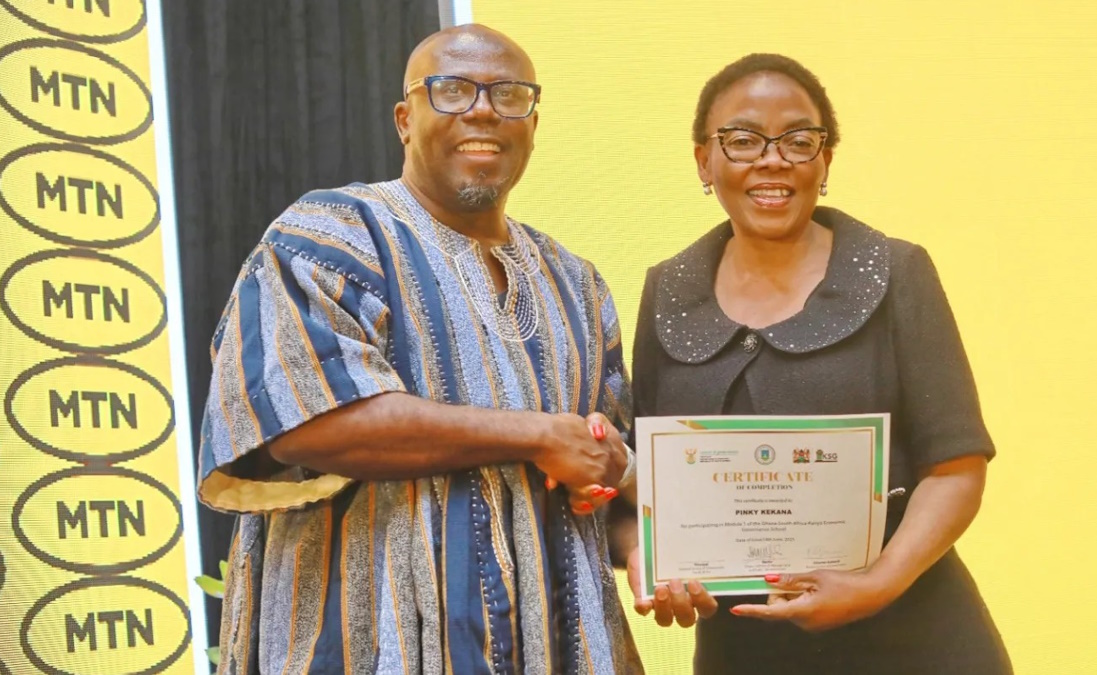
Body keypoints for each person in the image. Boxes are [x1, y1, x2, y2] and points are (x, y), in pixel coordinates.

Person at [197, 24, 643, 675]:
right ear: (405, 120)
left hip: (560, 649)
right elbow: (307, 423)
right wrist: (538, 434)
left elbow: (604, 471)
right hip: (366, 650)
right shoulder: (329, 236)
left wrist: (642, 548)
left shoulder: (576, 282)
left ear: (533, 123)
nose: (483, 110)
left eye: (508, 94)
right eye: (452, 90)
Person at [622, 54, 1012, 673]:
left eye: (799, 141)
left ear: (825, 160)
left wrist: (878, 583)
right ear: (704, 161)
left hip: (912, 642)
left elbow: (956, 468)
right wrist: (649, 558)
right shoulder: (669, 291)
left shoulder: (896, 272)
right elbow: (647, 477)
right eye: (743, 140)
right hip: (743, 652)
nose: (772, 159)